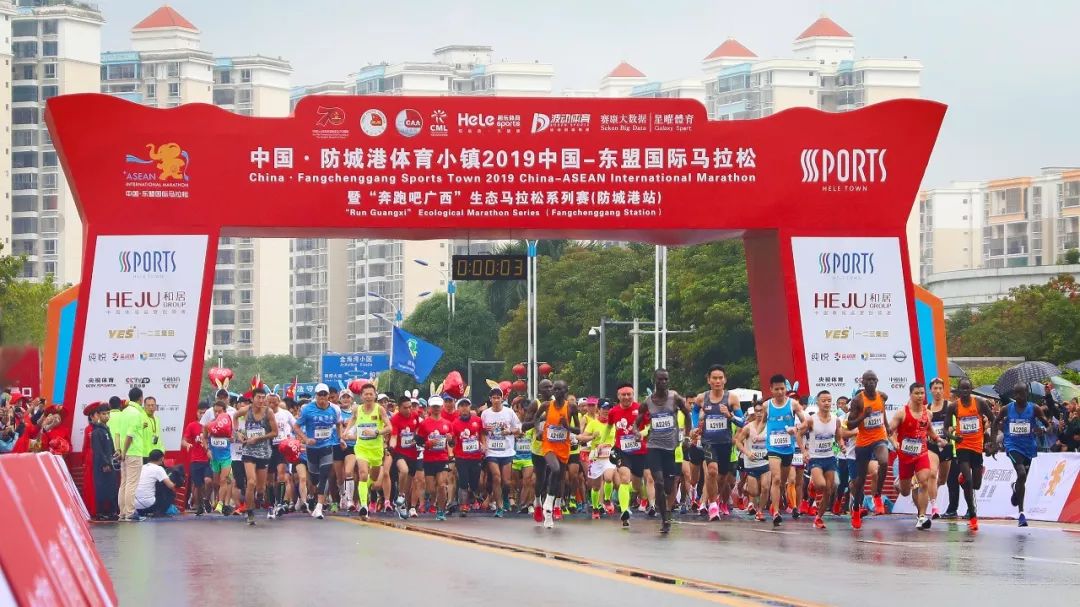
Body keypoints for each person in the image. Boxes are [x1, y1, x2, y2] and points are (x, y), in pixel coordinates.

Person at [630, 369, 692, 534]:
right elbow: (636, 423)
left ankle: (665, 508)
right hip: (654, 446)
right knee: (658, 482)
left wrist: (687, 436)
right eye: (660, 380)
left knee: (669, 487)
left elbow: (687, 415)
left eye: (666, 379)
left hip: (671, 447)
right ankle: (665, 518)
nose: (663, 382)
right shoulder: (648, 402)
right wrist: (636, 432)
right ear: (654, 381)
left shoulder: (675, 398)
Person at [889, 382, 947, 530]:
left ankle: (922, 516)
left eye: (922, 393)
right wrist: (894, 441)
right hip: (905, 457)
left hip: (921, 454)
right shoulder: (902, 413)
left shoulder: (928, 413)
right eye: (917, 393)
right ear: (910, 394)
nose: (920, 396)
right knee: (905, 491)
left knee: (924, 482)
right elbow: (889, 431)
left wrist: (938, 439)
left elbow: (929, 430)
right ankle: (900, 483)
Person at [943, 378, 996, 531]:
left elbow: (994, 420)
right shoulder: (954, 406)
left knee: (976, 485)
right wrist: (954, 438)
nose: (965, 392)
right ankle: (973, 515)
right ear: (959, 391)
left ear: (971, 389)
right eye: (962, 389)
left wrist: (992, 442)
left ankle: (965, 477)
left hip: (977, 447)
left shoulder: (979, 403)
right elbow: (945, 429)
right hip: (962, 447)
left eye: (968, 389)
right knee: (969, 481)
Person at [993, 383, 1048, 527]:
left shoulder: (1034, 408)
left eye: (1021, 393)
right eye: (1016, 393)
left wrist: (1043, 429)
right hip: (1012, 446)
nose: (1018, 396)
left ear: (1026, 393)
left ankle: (1015, 488)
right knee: (1021, 473)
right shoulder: (1007, 409)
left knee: (1022, 479)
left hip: (1029, 448)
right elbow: (995, 422)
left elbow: (1048, 425)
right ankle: (1021, 514)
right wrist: (993, 443)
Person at [291, 383, 345, 520]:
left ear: (328, 396)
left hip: (327, 446)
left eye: (324, 394)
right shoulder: (308, 409)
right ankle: (311, 495)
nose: (322, 397)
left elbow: (339, 423)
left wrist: (340, 439)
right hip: (312, 449)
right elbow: (296, 426)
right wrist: (306, 439)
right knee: (314, 478)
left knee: (324, 475)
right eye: (320, 394)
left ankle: (319, 507)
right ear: (316, 396)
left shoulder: (335, 409)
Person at [696, 365, 742, 521]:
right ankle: (713, 505)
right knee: (712, 471)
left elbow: (742, 422)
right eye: (714, 378)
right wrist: (695, 426)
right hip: (708, 442)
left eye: (720, 378)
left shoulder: (732, 398)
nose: (717, 381)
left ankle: (715, 499)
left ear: (725, 380)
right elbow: (694, 411)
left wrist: (730, 416)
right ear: (709, 380)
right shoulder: (702, 398)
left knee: (722, 477)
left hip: (725, 443)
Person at [845, 370, 891, 529]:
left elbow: (882, 413)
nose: (871, 382)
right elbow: (849, 425)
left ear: (877, 381)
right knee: (860, 481)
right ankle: (856, 509)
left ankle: (877, 495)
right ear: (863, 382)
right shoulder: (858, 400)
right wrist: (863, 416)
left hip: (879, 438)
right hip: (863, 442)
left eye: (874, 379)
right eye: (868, 380)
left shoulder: (882, 396)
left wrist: (887, 426)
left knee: (884, 462)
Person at [763, 374, 808, 527]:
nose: (780, 392)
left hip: (788, 448)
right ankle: (776, 512)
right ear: (771, 389)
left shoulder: (793, 404)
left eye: (782, 389)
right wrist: (756, 434)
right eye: (777, 389)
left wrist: (795, 428)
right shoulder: (767, 406)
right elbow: (761, 423)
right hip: (772, 447)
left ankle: (775, 504)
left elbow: (805, 423)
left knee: (782, 482)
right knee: (776, 479)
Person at [534, 379, 581, 529]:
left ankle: (550, 509)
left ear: (566, 391)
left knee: (559, 478)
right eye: (555, 389)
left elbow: (578, 430)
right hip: (548, 445)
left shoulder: (571, 407)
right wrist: (538, 430)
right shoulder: (546, 405)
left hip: (563, 447)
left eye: (559, 389)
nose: (556, 392)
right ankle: (547, 504)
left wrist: (567, 427)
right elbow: (536, 418)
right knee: (555, 469)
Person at [799, 391, 845, 530]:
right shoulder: (811, 420)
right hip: (815, 458)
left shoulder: (836, 420)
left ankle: (818, 517)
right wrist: (804, 451)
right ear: (818, 403)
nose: (826, 403)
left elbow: (838, 437)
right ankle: (812, 485)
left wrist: (841, 445)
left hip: (830, 458)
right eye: (823, 400)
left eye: (829, 400)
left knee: (829, 490)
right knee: (821, 485)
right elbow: (799, 434)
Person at [345, 384, 391, 518]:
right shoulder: (357, 409)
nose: (369, 396)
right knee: (363, 474)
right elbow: (353, 419)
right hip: (361, 447)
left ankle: (365, 490)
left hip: (376, 449)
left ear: (375, 395)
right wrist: (347, 431)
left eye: (371, 394)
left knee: (374, 479)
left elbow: (389, 427)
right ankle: (364, 505)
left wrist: (376, 432)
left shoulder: (379, 409)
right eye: (366, 394)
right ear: (361, 396)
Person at [609, 382, 650, 527]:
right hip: (622, 451)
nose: (626, 397)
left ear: (633, 395)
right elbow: (609, 427)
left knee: (637, 485)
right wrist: (603, 442)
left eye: (629, 394)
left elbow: (649, 426)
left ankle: (639, 496)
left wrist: (641, 433)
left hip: (639, 451)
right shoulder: (613, 411)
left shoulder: (641, 409)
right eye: (623, 395)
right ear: (618, 396)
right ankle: (624, 511)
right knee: (625, 478)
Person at [238, 388, 279, 525]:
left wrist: (259, 438)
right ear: (252, 399)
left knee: (261, 488)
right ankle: (249, 512)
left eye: (263, 397)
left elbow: (275, 432)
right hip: (248, 451)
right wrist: (238, 432)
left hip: (264, 452)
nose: (261, 400)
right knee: (251, 482)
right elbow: (234, 416)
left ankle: (259, 496)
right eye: (258, 397)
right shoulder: (246, 410)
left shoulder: (268, 412)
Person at [481, 387, 521, 517]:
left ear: (502, 399)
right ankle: (499, 507)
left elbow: (518, 429)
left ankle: (505, 496)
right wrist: (484, 443)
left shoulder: (509, 412)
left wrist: (509, 431)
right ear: (490, 399)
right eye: (494, 398)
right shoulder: (485, 414)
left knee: (506, 481)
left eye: (498, 398)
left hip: (507, 451)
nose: (496, 400)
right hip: (492, 451)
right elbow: (482, 431)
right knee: (496, 477)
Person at [417, 396, 453, 520]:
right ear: (430, 408)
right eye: (434, 406)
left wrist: (450, 439)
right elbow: (419, 442)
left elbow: (452, 442)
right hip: (429, 459)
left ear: (442, 407)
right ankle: (433, 501)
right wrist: (429, 444)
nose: (436, 408)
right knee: (431, 489)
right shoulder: (424, 424)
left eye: (438, 406)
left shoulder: (447, 424)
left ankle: (441, 511)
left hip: (442, 458)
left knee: (442, 485)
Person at [580, 399, 617, 518]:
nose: (607, 411)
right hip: (596, 457)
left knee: (609, 477)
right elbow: (581, 438)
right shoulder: (593, 423)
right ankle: (595, 508)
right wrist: (592, 437)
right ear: (599, 410)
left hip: (609, 457)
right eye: (604, 408)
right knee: (595, 486)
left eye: (609, 409)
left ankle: (607, 500)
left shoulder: (614, 423)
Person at [117, 387, 148, 521]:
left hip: (125, 452)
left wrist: (120, 451)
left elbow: (119, 434)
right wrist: (124, 452)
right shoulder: (136, 413)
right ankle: (130, 513)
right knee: (131, 483)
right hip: (133, 452)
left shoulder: (124, 412)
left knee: (124, 483)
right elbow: (130, 435)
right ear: (141, 398)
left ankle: (123, 512)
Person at [389, 395, 422, 519]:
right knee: (404, 470)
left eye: (410, 407)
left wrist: (417, 438)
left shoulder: (415, 416)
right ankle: (400, 495)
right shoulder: (395, 419)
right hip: (399, 452)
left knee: (409, 483)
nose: (408, 410)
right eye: (405, 408)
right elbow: (393, 436)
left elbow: (418, 429)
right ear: (399, 408)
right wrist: (391, 446)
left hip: (413, 453)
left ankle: (402, 505)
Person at [735, 406, 770, 521]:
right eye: (757, 411)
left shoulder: (769, 426)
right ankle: (748, 489)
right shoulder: (748, 428)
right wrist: (747, 452)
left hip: (765, 462)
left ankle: (760, 511)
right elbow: (738, 442)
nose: (759, 413)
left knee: (765, 488)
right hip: (751, 463)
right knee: (754, 492)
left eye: (761, 411)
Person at [451, 397, 485, 516]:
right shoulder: (455, 423)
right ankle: (463, 505)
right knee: (463, 481)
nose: (464, 408)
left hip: (476, 456)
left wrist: (484, 445)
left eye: (466, 406)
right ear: (458, 409)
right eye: (462, 406)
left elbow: (482, 434)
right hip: (461, 457)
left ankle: (472, 494)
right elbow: (452, 441)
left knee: (475, 482)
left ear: (470, 407)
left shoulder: (478, 420)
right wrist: (450, 443)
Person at [927, 378, 953, 519]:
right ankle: (934, 507)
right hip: (932, 446)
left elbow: (956, 424)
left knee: (942, 480)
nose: (937, 391)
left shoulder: (950, 406)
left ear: (943, 390)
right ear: (930, 390)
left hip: (946, 446)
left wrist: (950, 432)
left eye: (940, 388)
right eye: (935, 388)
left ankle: (931, 492)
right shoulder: (926, 408)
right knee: (932, 473)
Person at [89, 403, 120, 521]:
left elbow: (110, 447)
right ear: (98, 415)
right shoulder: (96, 431)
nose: (106, 416)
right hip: (101, 466)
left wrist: (115, 454)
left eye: (108, 413)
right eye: (103, 414)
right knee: (101, 488)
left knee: (112, 488)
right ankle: (101, 513)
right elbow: (98, 450)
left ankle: (112, 512)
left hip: (110, 463)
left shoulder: (106, 429)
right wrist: (105, 464)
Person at [181, 401, 212, 515]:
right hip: (196, 460)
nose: (202, 415)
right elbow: (183, 441)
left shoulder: (212, 425)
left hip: (209, 459)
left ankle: (207, 499)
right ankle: (200, 505)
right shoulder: (192, 426)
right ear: (196, 413)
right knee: (198, 485)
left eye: (205, 413)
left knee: (208, 481)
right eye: (200, 413)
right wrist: (187, 444)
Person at [206, 399, 236, 515]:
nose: (217, 414)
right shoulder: (210, 424)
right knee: (215, 483)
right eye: (215, 411)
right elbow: (204, 438)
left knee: (224, 480)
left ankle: (220, 504)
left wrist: (232, 438)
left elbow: (233, 437)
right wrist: (207, 449)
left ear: (224, 412)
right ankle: (214, 500)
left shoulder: (228, 423)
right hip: (214, 458)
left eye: (219, 412)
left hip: (226, 458)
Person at [269, 394, 297, 517]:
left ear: (278, 401)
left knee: (281, 475)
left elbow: (296, 426)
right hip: (268, 447)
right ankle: (271, 505)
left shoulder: (285, 414)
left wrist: (300, 439)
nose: (272, 404)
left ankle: (280, 503)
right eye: (270, 402)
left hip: (282, 446)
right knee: (269, 480)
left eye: (274, 401)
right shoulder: (264, 414)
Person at [134, 449, 178, 519]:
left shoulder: (142, 467)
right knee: (168, 491)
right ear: (162, 459)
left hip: (136, 505)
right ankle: (160, 512)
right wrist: (176, 482)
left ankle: (142, 512)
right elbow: (170, 485)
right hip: (149, 505)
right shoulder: (158, 469)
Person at [510, 397, 536, 514]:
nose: (526, 412)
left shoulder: (533, 423)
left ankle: (526, 504)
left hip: (528, 457)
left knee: (528, 481)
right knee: (513, 482)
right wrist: (515, 434)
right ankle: (512, 499)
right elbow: (507, 434)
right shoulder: (513, 422)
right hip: (514, 457)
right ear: (519, 410)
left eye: (528, 410)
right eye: (524, 410)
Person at [335, 389, 358, 512]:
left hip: (351, 446)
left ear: (352, 399)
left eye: (348, 397)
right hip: (337, 445)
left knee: (349, 472)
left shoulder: (357, 412)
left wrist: (351, 437)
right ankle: (342, 494)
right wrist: (340, 437)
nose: (345, 399)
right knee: (339, 477)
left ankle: (350, 500)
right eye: (343, 397)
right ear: (340, 399)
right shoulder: (336, 412)